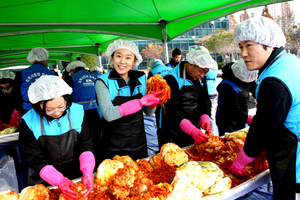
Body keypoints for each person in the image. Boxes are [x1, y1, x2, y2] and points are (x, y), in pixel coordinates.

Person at [229, 16, 300, 200]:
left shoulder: (275, 79)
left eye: (249, 45)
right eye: (240, 47)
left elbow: (264, 126)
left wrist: (245, 157)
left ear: (268, 44)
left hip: (294, 164)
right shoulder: (289, 63)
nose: (243, 53)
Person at [19, 75, 95, 199]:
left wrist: (87, 171)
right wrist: (59, 180)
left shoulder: (77, 112)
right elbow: (35, 159)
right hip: (43, 183)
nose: (57, 113)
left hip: (74, 176)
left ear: (67, 100)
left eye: (61, 106)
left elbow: (85, 145)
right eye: (50, 109)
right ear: (39, 105)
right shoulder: (28, 122)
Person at [95, 39, 162, 161]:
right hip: (113, 146)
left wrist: (153, 103)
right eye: (118, 56)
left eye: (128, 58)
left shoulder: (141, 78)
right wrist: (140, 102)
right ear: (112, 57)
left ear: (134, 60)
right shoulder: (103, 81)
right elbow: (108, 114)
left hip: (138, 142)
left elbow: (148, 112)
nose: (122, 61)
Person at [158, 49, 217, 148]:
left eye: (206, 73)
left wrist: (205, 117)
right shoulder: (171, 78)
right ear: (191, 64)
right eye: (201, 71)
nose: (202, 75)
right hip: (173, 130)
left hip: (193, 126)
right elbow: (172, 109)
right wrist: (191, 129)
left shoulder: (201, 77)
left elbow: (205, 100)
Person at [64, 61, 102, 168]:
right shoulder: (95, 77)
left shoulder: (70, 79)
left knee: (83, 139)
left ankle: (86, 163)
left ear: (72, 70)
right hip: (95, 112)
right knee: (96, 137)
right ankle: (98, 161)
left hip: (79, 113)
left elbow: (67, 98)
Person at [216, 59, 258, 136]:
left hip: (242, 116)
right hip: (227, 120)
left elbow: (255, 90)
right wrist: (249, 119)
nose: (249, 81)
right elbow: (233, 109)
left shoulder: (247, 76)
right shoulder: (226, 86)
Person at [12, 47, 56, 119]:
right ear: (45, 59)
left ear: (32, 60)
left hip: (28, 109)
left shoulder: (21, 74)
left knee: (29, 129)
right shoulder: (53, 73)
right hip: (48, 109)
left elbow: (16, 93)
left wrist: (17, 109)